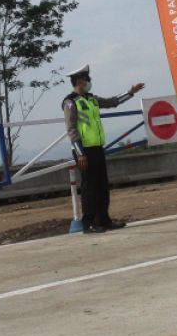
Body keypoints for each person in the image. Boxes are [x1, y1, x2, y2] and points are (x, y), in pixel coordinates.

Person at [62, 64, 144, 233]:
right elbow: (71, 129)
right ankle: (89, 223)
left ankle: (104, 220)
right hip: (84, 150)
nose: (89, 82)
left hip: (97, 148)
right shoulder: (70, 102)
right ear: (79, 81)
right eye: (86, 79)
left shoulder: (92, 99)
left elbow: (112, 102)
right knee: (89, 188)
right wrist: (80, 153)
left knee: (101, 186)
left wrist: (130, 93)